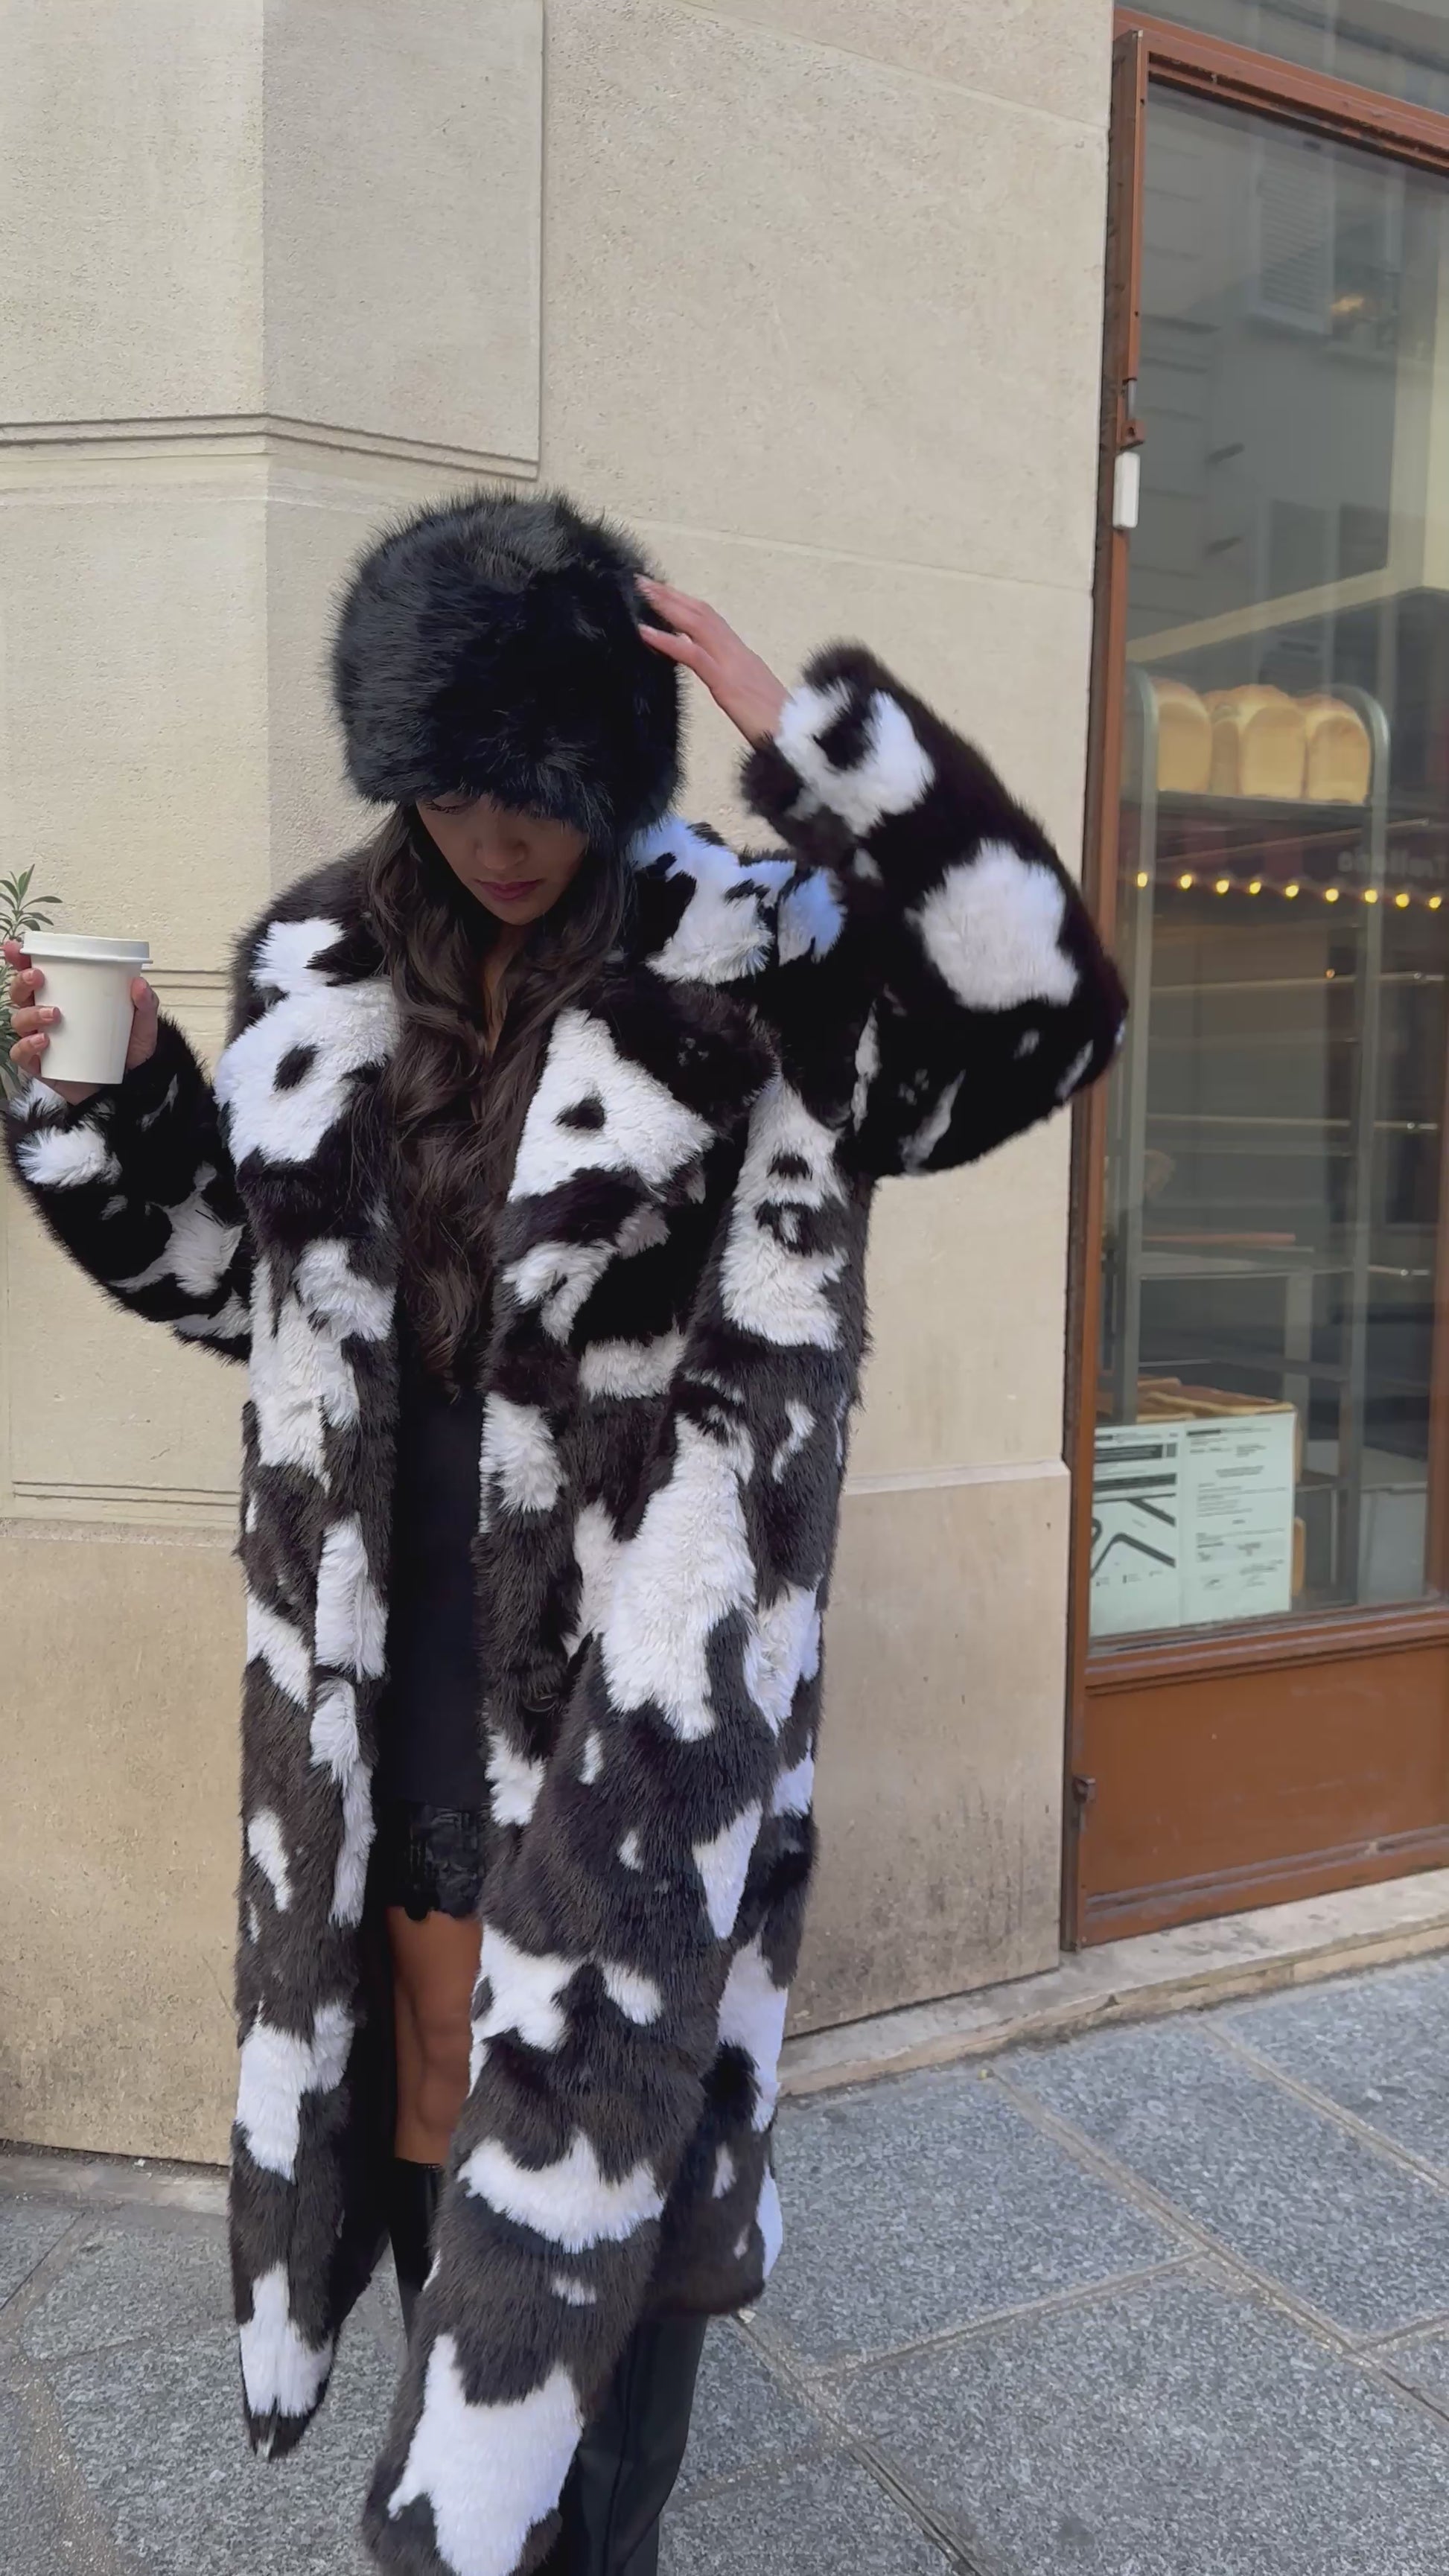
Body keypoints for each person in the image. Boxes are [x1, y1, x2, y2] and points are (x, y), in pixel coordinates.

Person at [4, 488, 1125, 2576]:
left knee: (605, 2302)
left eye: (536, 784)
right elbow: (242, 1293)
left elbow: (1039, 1011)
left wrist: (828, 754)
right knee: (433, 2175)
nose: (497, 835)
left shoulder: (762, 958)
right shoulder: (323, 966)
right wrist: (124, 1102)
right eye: (451, 786)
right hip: (382, 1711)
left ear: (612, 760)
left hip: (632, 1739)